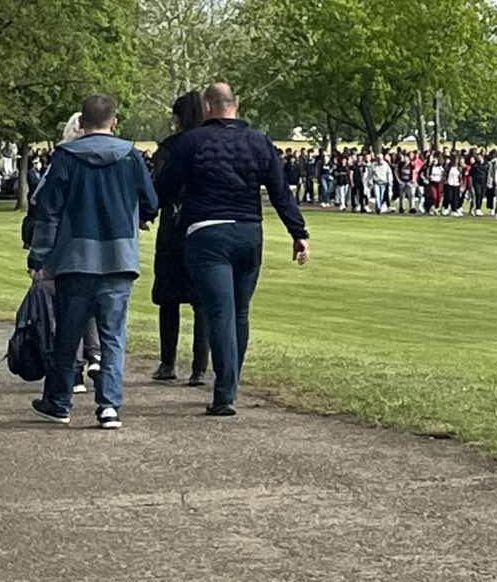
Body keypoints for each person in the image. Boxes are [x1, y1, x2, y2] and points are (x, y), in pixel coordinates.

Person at [155, 83, 311, 417]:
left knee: (221, 312)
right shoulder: (258, 141)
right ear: (236, 105)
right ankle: (231, 383)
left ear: (209, 106)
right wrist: (298, 232)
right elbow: (280, 192)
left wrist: (146, 211)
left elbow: (166, 187)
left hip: (208, 232)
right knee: (240, 312)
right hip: (249, 231)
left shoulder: (192, 141)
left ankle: (225, 393)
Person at [26, 94, 159, 429]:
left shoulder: (66, 157)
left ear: (82, 123)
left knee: (68, 334)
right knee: (113, 335)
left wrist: (39, 255)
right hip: (120, 256)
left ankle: (59, 401)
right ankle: (109, 405)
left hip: (75, 257)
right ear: (114, 122)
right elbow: (150, 201)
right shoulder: (131, 156)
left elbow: (48, 211)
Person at [150, 91, 210, 385]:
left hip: (174, 226)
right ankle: (199, 367)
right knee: (202, 301)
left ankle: (168, 362)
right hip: (203, 223)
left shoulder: (171, 147)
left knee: (169, 298)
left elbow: (159, 187)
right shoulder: (211, 145)